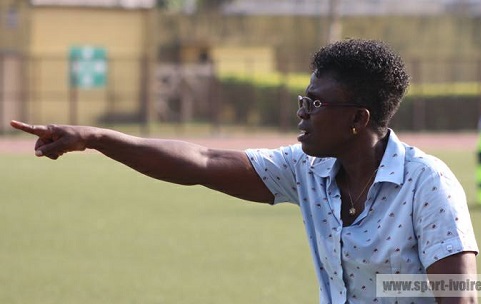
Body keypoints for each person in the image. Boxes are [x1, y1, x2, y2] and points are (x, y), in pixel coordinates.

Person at [11, 39, 479, 303]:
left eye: (315, 104)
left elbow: (458, 295)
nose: (303, 113)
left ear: (358, 119)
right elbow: (203, 163)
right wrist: (96, 138)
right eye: (303, 100)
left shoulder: (426, 182)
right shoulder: (306, 170)